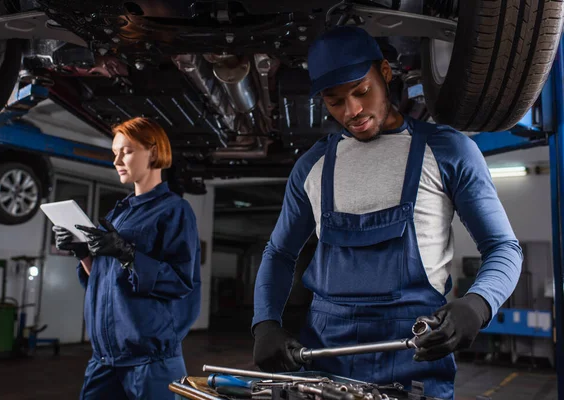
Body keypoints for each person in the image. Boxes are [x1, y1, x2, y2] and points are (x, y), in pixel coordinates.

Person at [251, 26, 522, 399]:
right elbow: (279, 253)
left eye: (362, 91)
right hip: (325, 360)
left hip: (416, 354)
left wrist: (477, 305)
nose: (353, 111)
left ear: (386, 72)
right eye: (335, 101)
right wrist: (265, 322)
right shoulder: (311, 167)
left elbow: (504, 248)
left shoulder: (448, 151)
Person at [52, 117, 201, 400]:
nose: (116, 160)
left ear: (154, 152)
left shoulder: (175, 211)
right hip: (104, 360)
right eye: (115, 153)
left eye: (126, 151)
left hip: (151, 362)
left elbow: (181, 283)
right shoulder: (116, 215)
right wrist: (83, 253)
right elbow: (105, 282)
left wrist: (128, 254)